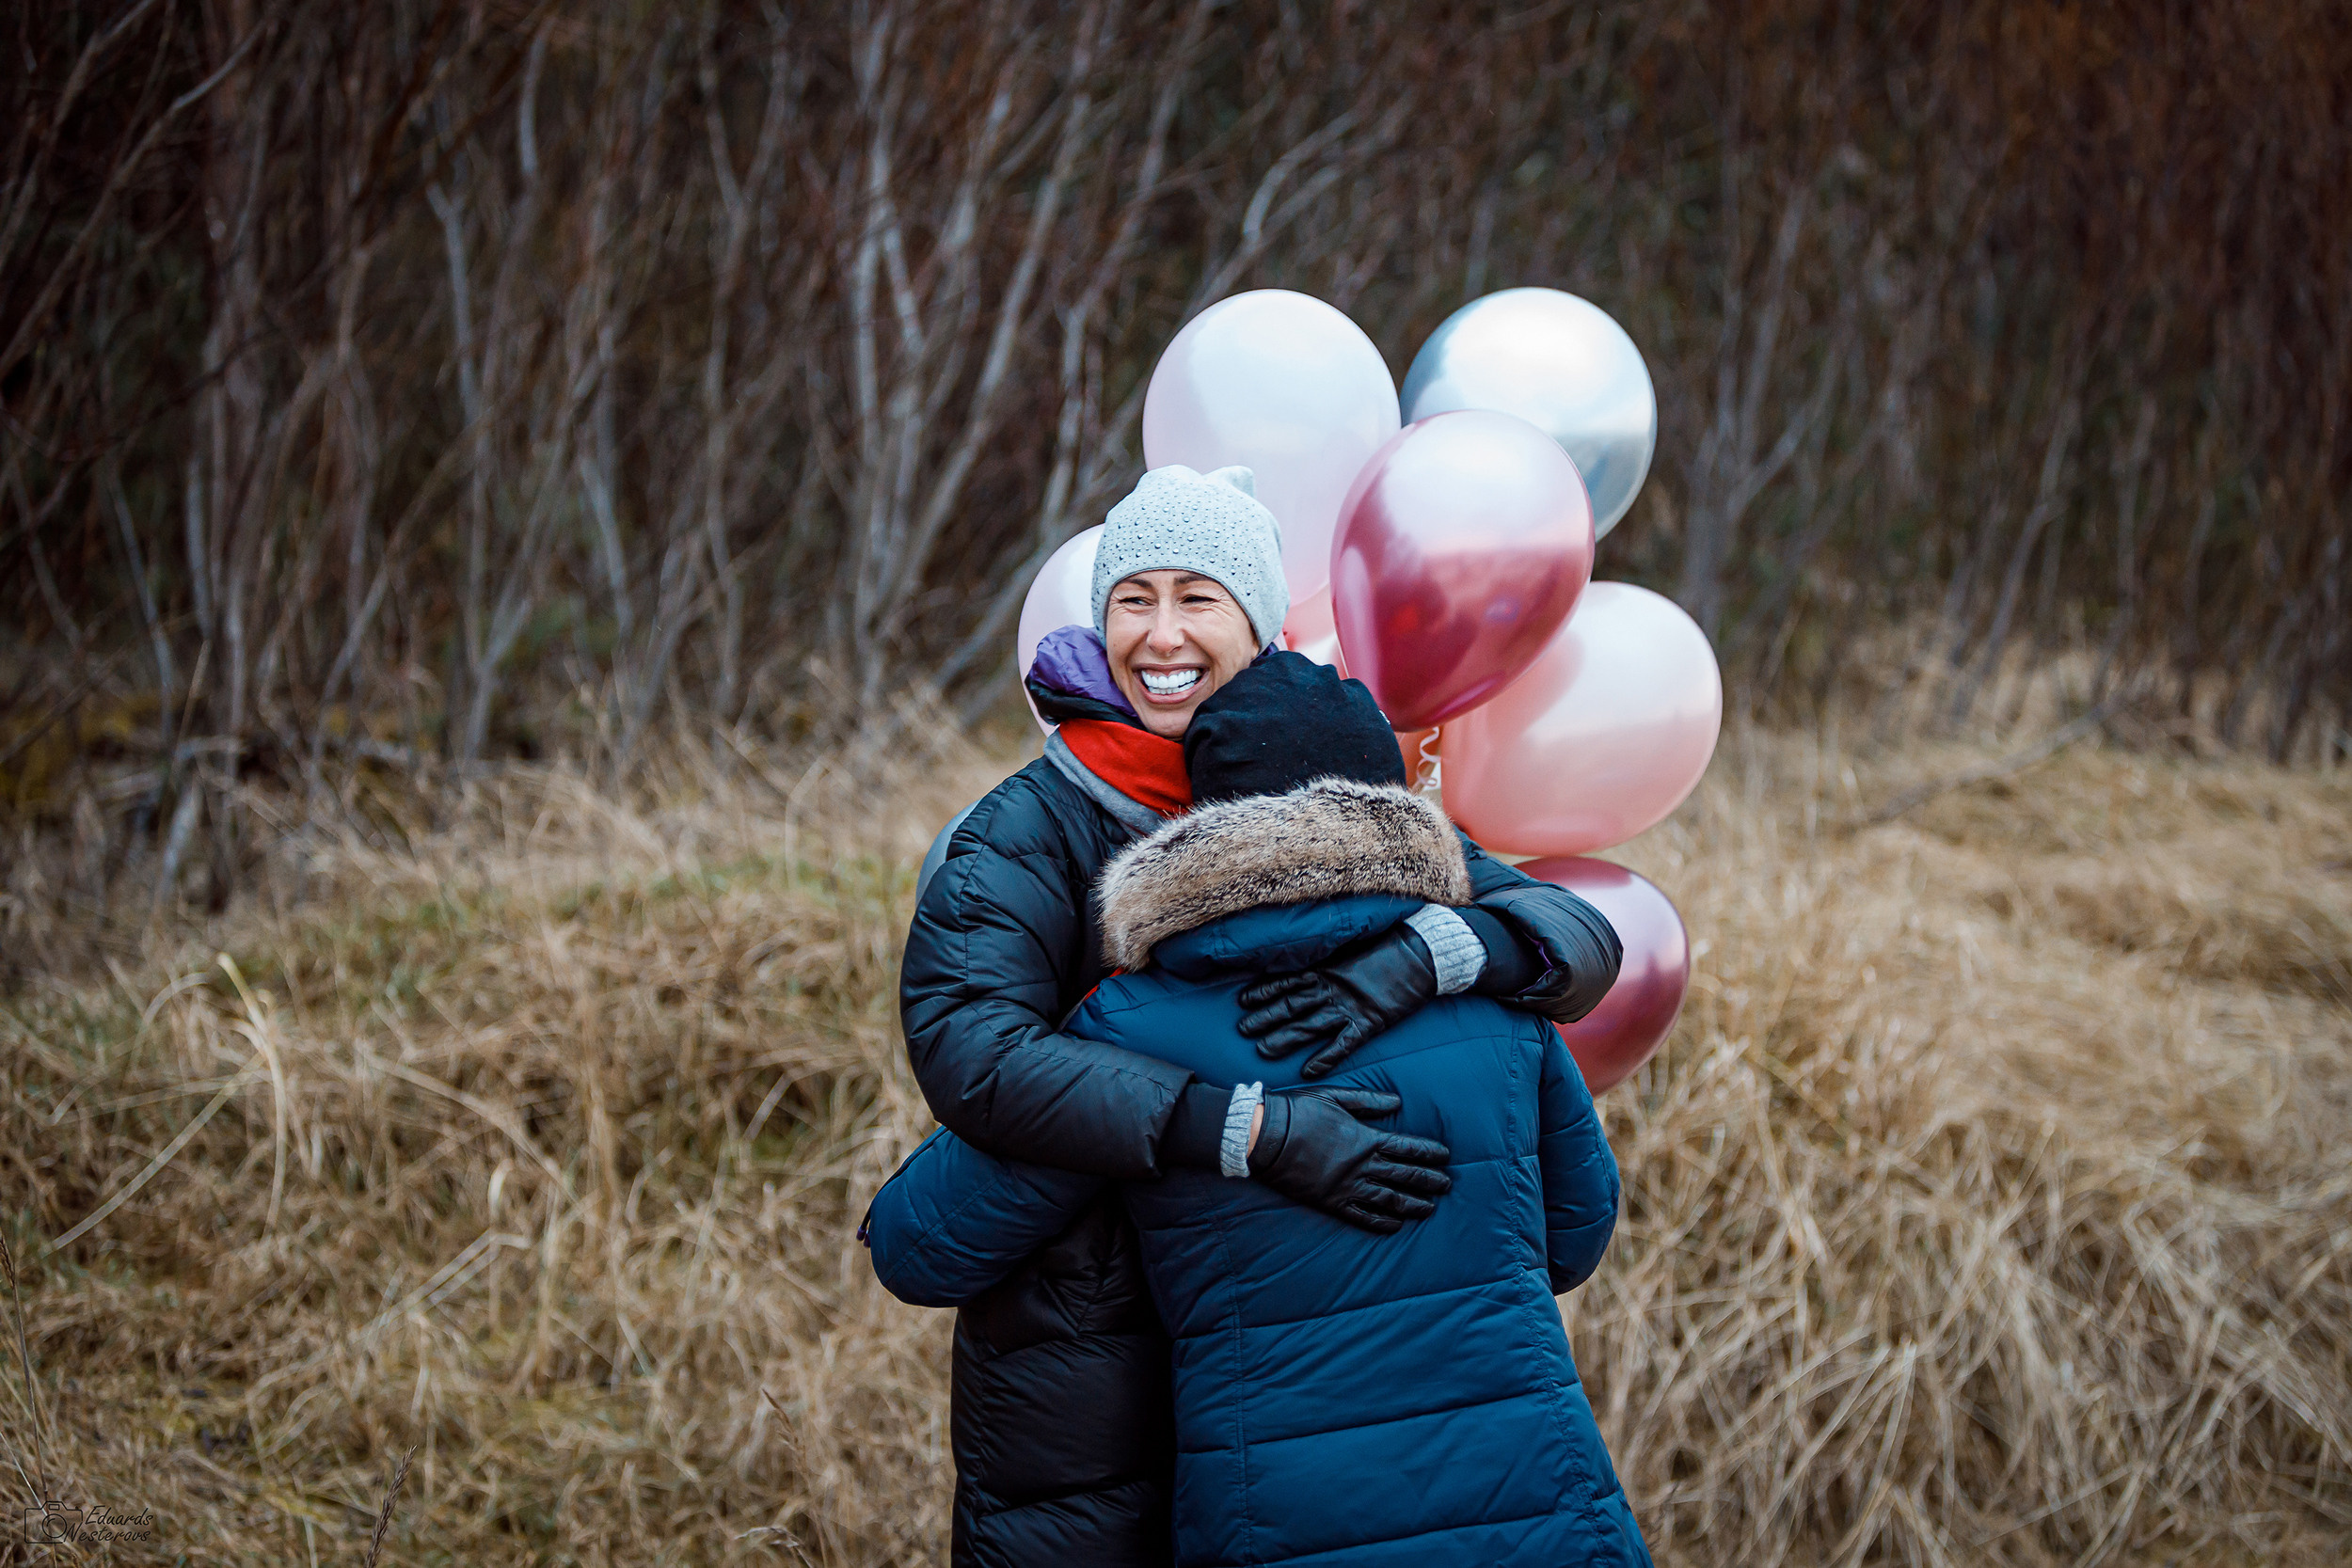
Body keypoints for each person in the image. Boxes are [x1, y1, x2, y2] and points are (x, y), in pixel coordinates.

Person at [889, 462, 1622, 1564]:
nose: (1161, 634)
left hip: (1277, 1354)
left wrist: (1420, 960)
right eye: (1133, 598)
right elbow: (977, 1058)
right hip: (1088, 1363)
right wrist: (1242, 1127)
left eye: (1199, 598)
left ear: (1261, 624)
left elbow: (1567, 932)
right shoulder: (1020, 834)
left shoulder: (1326, 793)